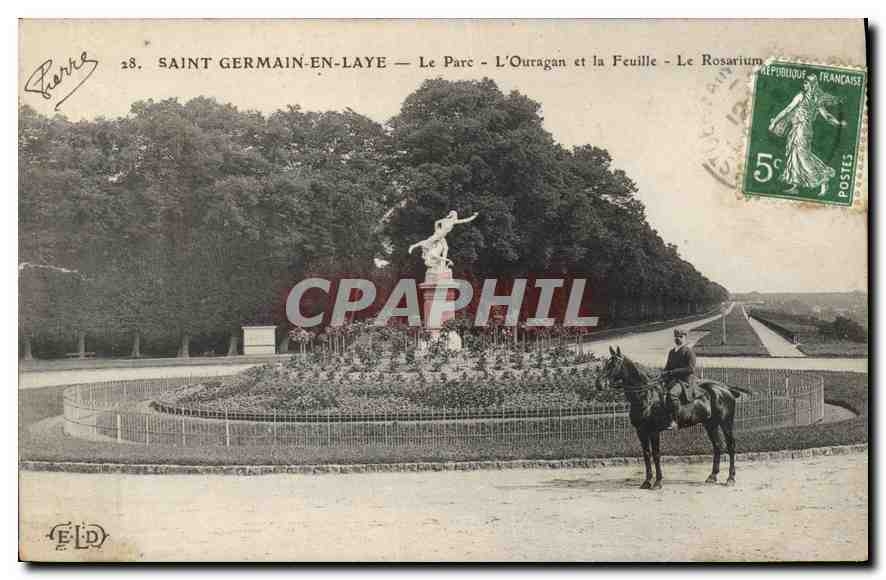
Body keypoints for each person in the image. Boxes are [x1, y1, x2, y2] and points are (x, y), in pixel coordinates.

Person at [768, 74, 846, 197]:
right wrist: (839, 123)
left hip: (802, 130)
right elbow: (827, 117)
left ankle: (823, 179)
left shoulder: (805, 97)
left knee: (803, 157)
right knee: (794, 155)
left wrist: (774, 122)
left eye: (806, 83)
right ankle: (795, 185)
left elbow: (788, 109)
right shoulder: (816, 99)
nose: (804, 85)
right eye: (804, 82)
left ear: (812, 85)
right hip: (799, 129)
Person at [661, 328, 697, 430]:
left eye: (680, 337)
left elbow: (690, 369)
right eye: (676, 337)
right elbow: (667, 367)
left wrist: (673, 372)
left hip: (684, 381)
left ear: (685, 338)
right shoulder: (672, 352)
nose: (678, 339)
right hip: (673, 380)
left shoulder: (688, 352)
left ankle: (676, 421)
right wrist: (663, 374)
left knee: (672, 394)